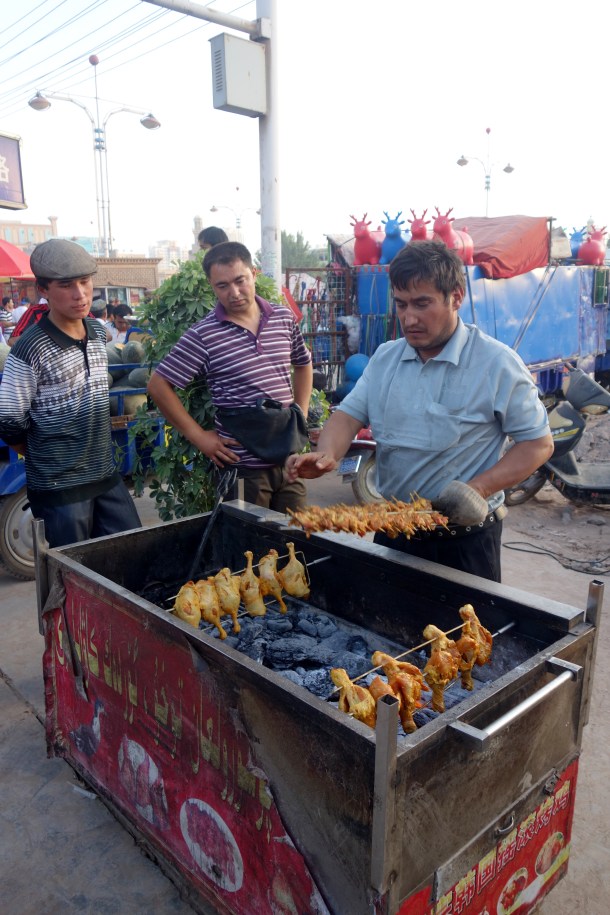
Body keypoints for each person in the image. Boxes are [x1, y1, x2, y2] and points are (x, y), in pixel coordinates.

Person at [286, 241, 554, 582]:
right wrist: (326, 454)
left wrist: (478, 488)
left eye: (422, 304)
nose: (409, 318)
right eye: (401, 304)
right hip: (394, 532)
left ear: (456, 297)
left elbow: (538, 444)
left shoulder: (497, 364)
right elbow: (348, 416)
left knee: (462, 634)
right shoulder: (386, 358)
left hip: (464, 542)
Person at [148, 241, 313, 512]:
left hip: (288, 462)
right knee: (247, 548)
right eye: (222, 286)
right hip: (242, 470)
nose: (234, 293)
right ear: (212, 287)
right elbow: (158, 385)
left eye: (241, 280)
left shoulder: (283, 318)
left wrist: (300, 416)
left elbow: (303, 364)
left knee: (300, 542)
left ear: (254, 274)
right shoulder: (204, 334)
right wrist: (199, 437)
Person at [0, 238, 141, 549]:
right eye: (66, 285)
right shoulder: (29, 349)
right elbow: (9, 421)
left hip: (104, 473)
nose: (80, 294)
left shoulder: (97, 332)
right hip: (59, 488)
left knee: (133, 553)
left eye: (85, 282)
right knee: (76, 576)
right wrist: (51, 456)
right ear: (43, 289)